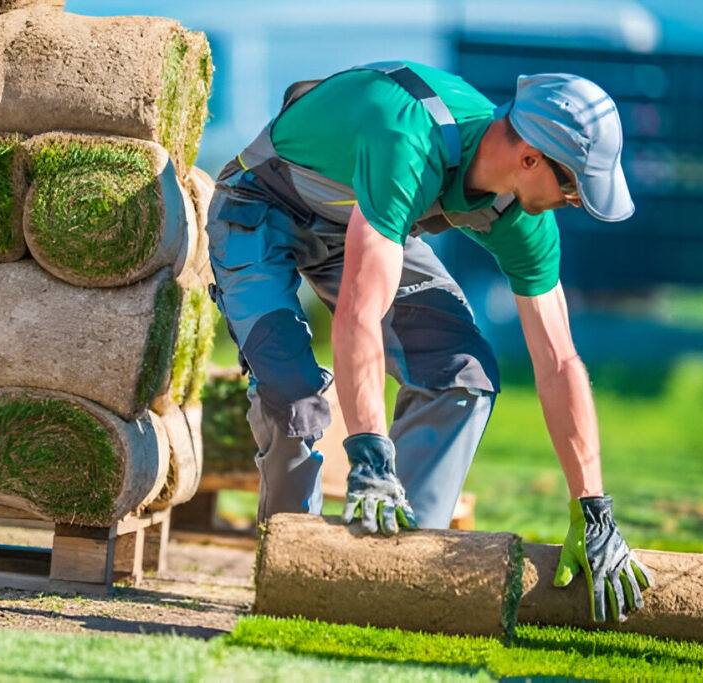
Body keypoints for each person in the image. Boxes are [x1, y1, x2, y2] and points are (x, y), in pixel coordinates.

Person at [205, 60, 652, 623]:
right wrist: (368, 453)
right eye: (571, 185)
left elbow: (560, 360)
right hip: (259, 209)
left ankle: (386, 579)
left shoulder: (522, 218)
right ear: (530, 156)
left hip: (365, 224)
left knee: (462, 375)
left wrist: (594, 509)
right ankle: (296, 579)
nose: (573, 201)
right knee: (293, 398)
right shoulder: (408, 140)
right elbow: (358, 316)